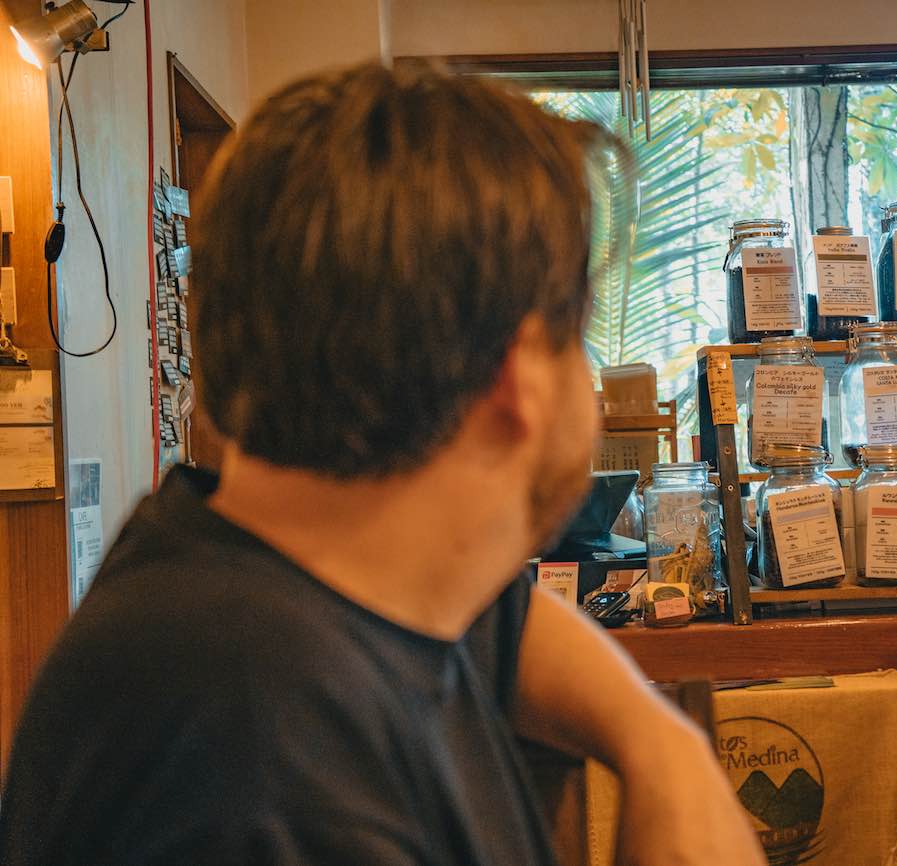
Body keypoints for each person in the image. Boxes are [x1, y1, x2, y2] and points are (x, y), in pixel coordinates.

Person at [0, 62, 764, 866]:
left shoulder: (260, 577)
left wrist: (661, 748)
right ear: (520, 375)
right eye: (577, 338)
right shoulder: (264, 772)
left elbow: (505, 627)